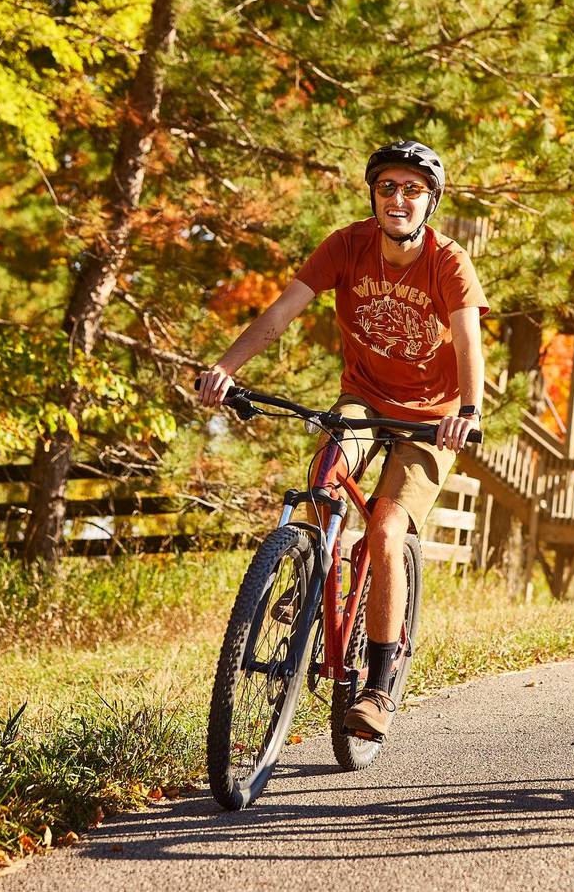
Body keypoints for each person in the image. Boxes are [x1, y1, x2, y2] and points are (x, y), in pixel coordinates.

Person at [197, 140, 488, 740]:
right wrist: (227, 367)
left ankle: (377, 689)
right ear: (374, 196)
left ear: (430, 201)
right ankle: (310, 574)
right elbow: (281, 313)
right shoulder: (346, 246)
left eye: (412, 190)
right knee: (325, 473)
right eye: (388, 188)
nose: (398, 199)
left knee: (385, 530)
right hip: (364, 398)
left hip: (432, 417)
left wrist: (468, 409)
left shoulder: (448, 261)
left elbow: (467, 341)